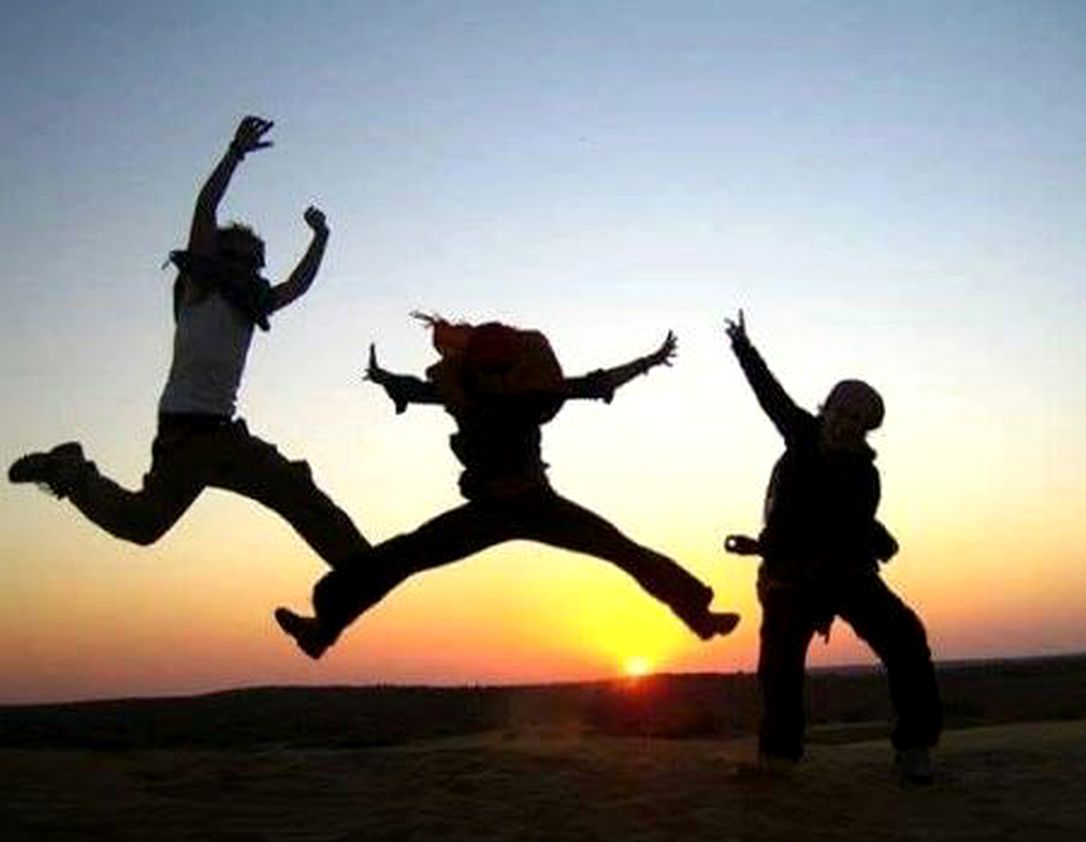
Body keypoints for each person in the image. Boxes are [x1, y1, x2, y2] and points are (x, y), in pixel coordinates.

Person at [8, 116, 369, 567]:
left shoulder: (251, 304)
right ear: (221, 258)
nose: (254, 273)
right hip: (184, 437)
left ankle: (362, 568)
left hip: (224, 435)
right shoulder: (200, 288)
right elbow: (205, 209)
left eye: (258, 266)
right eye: (245, 261)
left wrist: (322, 238)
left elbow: (295, 286)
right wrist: (234, 153)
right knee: (143, 525)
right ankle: (68, 471)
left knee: (296, 490)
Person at [274, 313, 739, 659]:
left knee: (620, 548)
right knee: (403, 555)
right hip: (486, 512)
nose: (495, 377)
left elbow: (594, 384)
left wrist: (648, 362)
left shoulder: (531, 390)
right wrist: (383, 379)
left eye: (501, 369)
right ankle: (321, 631)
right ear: (476, 367)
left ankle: (698, 615)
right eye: (488, 370)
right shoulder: (461, 390)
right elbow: (416, 390)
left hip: (539, 504)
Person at [723, 310, 941, 784]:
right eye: (842, 412)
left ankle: (915, 750)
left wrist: (873, 539)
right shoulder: (801, 434)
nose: (846, 423)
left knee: (907, 640)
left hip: (844, 574)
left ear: (866, 427)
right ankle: (777, 759)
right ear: (827, 409)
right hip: (789, 578)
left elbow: (845, 523)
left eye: (858, 420)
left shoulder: (866, 473)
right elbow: (771, 396)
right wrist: (744, 349)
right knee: (779, 671)